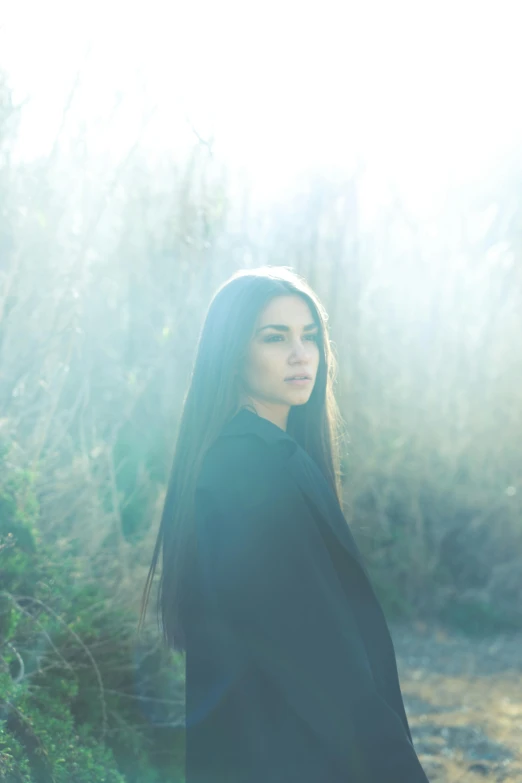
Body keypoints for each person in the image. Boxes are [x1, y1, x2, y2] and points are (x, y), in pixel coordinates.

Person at [139, 265, 430, 782]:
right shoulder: (251, 469)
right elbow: (314, 652)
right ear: (231, 355)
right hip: (286, 754)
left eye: (310, 337)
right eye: (275, 338)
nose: (301, 354)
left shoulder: (268, 455)